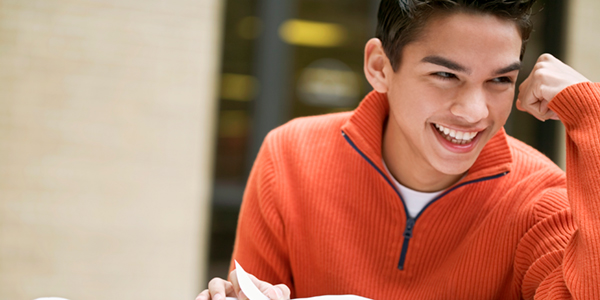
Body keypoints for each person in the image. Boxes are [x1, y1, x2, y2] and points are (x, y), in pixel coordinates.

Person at [198, 0, 599, 299]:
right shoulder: (290, 155)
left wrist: (593, 117)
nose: (475, 111)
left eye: (499, 81)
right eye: (445, 74)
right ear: (379, 67)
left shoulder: (543, 197)